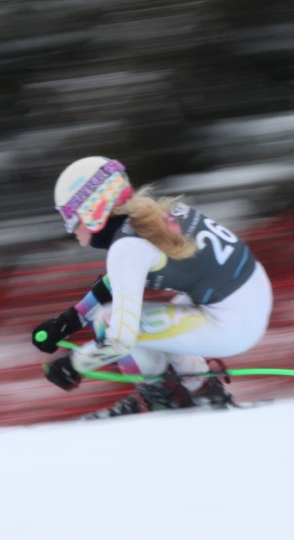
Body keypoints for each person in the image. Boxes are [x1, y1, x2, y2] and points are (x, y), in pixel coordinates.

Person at [31, 156, 273, 418]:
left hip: (232, 324)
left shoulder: (126, 248)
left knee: (109, 321)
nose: (70, 229)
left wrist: (74, 365)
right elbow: (117, 285)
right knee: (147, 317)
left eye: (70, 217)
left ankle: (161, 402)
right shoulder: (151, 216)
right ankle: (201, 390)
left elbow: (120, 340)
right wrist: (68, 322)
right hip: (251, 298)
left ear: (92, 210)